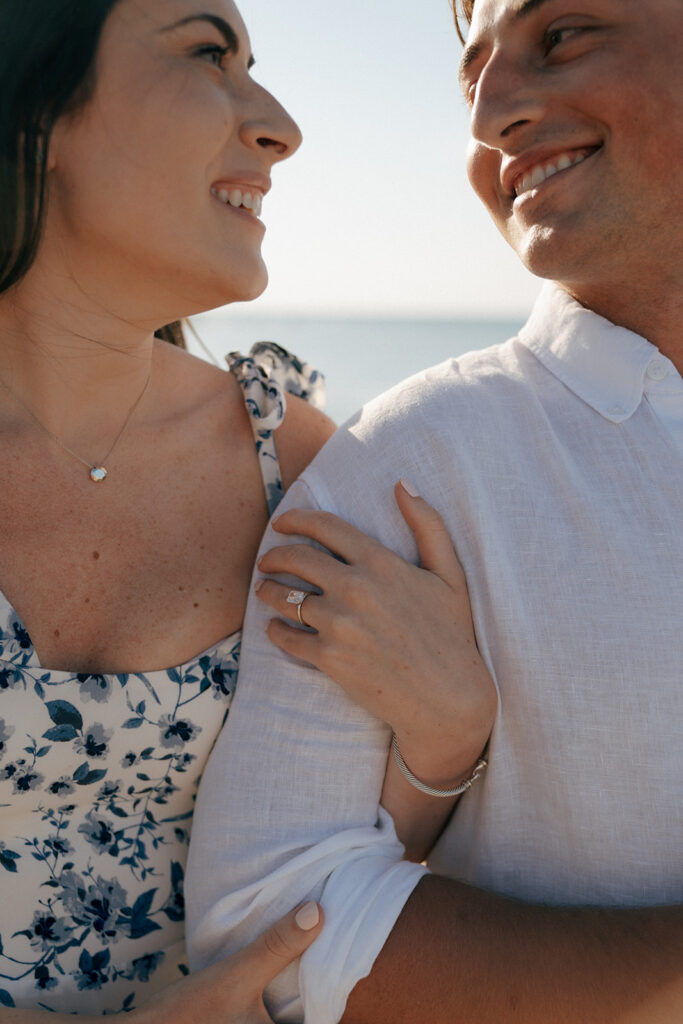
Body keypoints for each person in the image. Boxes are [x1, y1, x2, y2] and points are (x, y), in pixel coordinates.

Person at [185, 0, 683, 1021]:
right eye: (471, 78)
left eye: (562, 36)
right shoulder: (408, 463)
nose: (488, 114)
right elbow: (271, 921)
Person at [0, 0, 336, 1017]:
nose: (278, 123)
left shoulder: (297, 461)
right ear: (39, 115)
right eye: (206, 54)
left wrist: (452, 740)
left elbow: (370, 845)